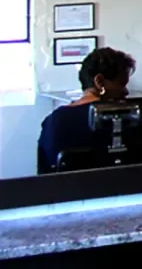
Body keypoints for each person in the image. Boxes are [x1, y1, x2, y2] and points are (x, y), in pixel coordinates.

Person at [37, 45, 134, 173]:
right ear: (100, 82)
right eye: (121, 84)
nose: (125, 92)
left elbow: (45, 173)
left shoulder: (52, 121)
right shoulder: (125, 118)